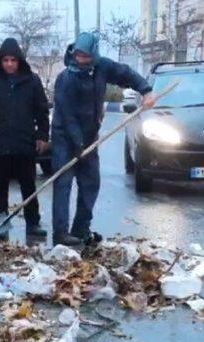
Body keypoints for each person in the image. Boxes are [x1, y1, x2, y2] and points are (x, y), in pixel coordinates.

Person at [51, 32, 155, 246]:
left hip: (89, 136)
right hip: (64, 136)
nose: (81, 60)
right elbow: (68, 115)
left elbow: (126, 74)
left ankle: (80, 229)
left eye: (85, 57)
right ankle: (60, 233)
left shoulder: (102, 67)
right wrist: (78, 144)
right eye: (78, 56)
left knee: (90, 182)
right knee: (63, 183)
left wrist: (146, 91)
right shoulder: (65, 78)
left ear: (94, 54)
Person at [0, 38, 50, 238]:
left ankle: (33, 223)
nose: (10, 64)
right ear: (0, 61)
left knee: (28, 185)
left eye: (13, 60)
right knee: (0, 188)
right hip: (0, 143)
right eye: (6, 60)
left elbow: (41, 111)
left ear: (19, 61)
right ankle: (1, 224)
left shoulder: (32, 82)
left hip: (24, 143)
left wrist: (42, 136)